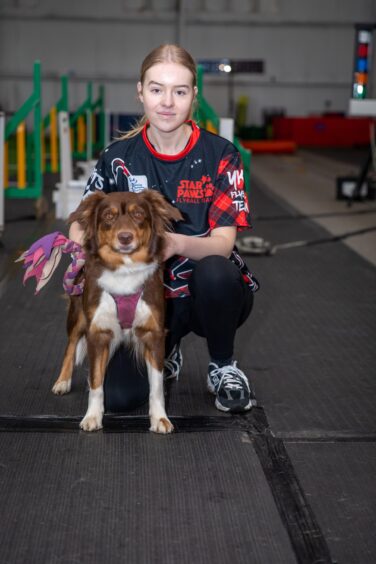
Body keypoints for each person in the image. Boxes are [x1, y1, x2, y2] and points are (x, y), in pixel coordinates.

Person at [69, 43, 259, 414]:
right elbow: (81, 225)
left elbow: (222, 244)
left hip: (204, 296)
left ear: (194, 96)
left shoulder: (221, 154)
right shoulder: (118, 157)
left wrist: (172, 242)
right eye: (156, 89)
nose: (167, 102)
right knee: (121, 399)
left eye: (180, 91)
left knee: (219, 273)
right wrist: (77, 253)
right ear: (140, 92)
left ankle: (222, 365)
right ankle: (166, 349)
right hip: (138, 301)